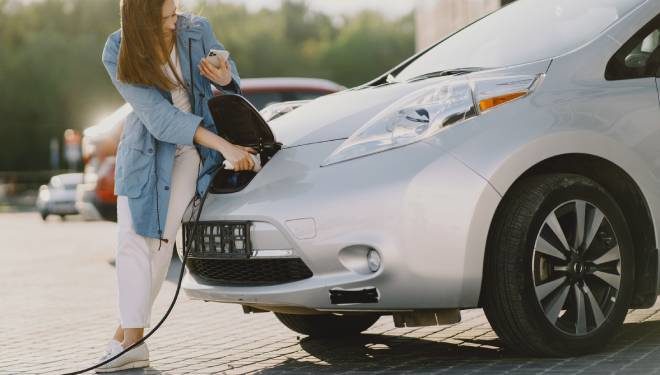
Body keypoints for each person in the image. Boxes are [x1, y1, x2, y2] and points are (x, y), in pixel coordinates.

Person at [97, 0, 256, 372]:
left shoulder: (195, 30)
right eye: (166, 17)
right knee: (133, 242)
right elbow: (159, 118)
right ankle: (131, 342)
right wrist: (226, 147)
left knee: (159, 243)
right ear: (140, 19)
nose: (174, 22)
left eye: (175, 12)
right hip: (147, 151)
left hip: (192, 152)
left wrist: (224, 76)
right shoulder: (117, 49)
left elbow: (231, 77)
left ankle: (128, 341)